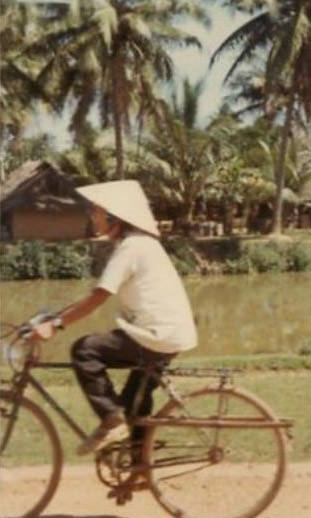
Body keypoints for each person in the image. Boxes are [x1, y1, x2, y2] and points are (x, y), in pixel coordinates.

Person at [32, 180, 197, 456]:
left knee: (85, 350)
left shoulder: (132, 247)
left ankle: (111, 420)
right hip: (169, 335)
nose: (92, 217)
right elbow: (96, 292)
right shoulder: (141, 244)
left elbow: (99, 296)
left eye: (97, 212)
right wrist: (54, 316)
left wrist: (57, 325)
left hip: (155, 334)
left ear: (113, 217)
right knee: (135, 399)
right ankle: (140, 466)